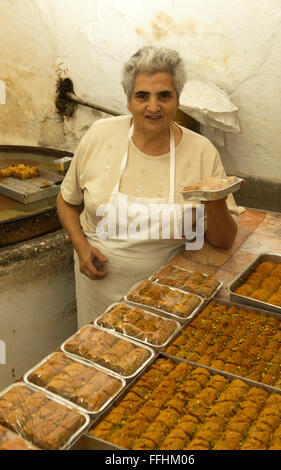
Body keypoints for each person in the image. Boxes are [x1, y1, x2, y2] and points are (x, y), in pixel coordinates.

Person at [57, 46, 241, 328]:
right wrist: (81, 246)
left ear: (178, 101)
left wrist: (212, 197)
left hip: (171, 296)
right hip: (99, 290)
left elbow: (224, 240)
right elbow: (67, 202)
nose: (153, 107)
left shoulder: (201, 152)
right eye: (142, 96)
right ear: (128, 101)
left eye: (164, 96)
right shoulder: (99, 136)